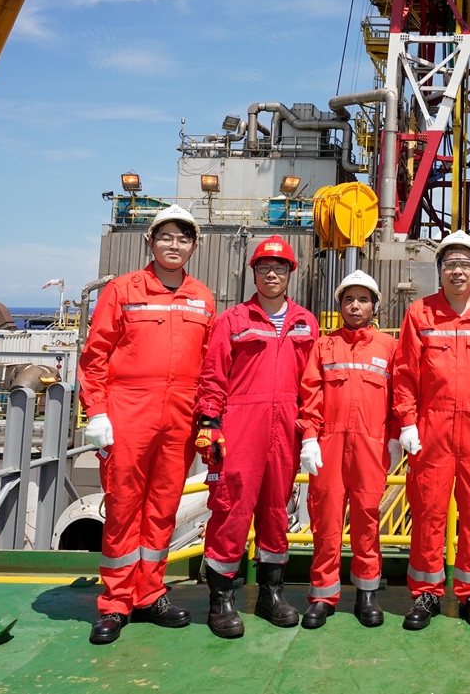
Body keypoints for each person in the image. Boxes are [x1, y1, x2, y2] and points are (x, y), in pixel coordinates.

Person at [79, 204, 215, 645]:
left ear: (194, 246)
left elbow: (210, 363)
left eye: (183, 238)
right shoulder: (122, 290)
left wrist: (209, 417)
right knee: (123, 506)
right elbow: (95, 355)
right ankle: (116, 602)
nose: (174, 245)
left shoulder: (202, 297)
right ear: (150, 242)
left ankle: (150, 593)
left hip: (181, 415)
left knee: (163, 506)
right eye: (166, 237)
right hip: (129, 411)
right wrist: (97, 411)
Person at [194, 234, 318, 639]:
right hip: (241, 426)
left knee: (276, 510)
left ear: (290, 273)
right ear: (254, 273)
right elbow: (213, 375)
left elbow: (312, 384)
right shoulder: (233, 320)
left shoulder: (306, 322)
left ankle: (271, 594)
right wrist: (210, 422)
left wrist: (311, 431)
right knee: (231, 508)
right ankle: (221, 600)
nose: (272, 274)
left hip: (287, 427)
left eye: (280, 268)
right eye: (265, 267)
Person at [393, 230, 470, 631]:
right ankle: (426, 593)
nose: (458, 271)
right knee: (427, 511)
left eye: (465, 264)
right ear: (440, 269)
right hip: (433, 428)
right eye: (450, 264)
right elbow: (405, 373)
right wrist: (407, 422)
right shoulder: (420, 314)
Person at [296, 269, 402, 629]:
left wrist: (395, 438)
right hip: (329, 445)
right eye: (349, 299)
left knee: (367, 520)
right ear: (340, 305)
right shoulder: (324, 346)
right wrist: (309, 437)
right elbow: (310, 394)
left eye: (363, 300)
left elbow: (399, 397)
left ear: (375, 306)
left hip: (371, 446)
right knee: (325, 522)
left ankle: (366, 594)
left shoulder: (388, 347)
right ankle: (322, 595)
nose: (355, 306)